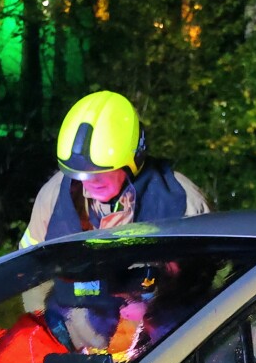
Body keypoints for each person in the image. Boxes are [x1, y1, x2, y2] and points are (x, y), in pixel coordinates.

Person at [19, 90, 211, 248]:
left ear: (134, 158)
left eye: (100, 171)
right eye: (79, 173)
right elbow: (30, 273)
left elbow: (213, 283)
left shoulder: (182, 203)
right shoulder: (54, 196)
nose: (89, 182)